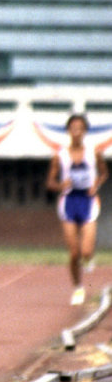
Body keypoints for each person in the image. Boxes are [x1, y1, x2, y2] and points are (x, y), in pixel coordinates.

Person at [46, 113, 108, 306]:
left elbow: (104, 172)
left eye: (80, 128)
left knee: (86, 251)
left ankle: (89, 259)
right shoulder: (60, 155)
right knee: (74, 253)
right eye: (73, 128)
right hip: (69, 201)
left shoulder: (93, 153)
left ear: (85, 131)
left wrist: (96, 184)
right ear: (68, 131)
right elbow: (50, 182)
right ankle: (78, 288)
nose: (76, 132)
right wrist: (60, 185)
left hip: (88, 201)